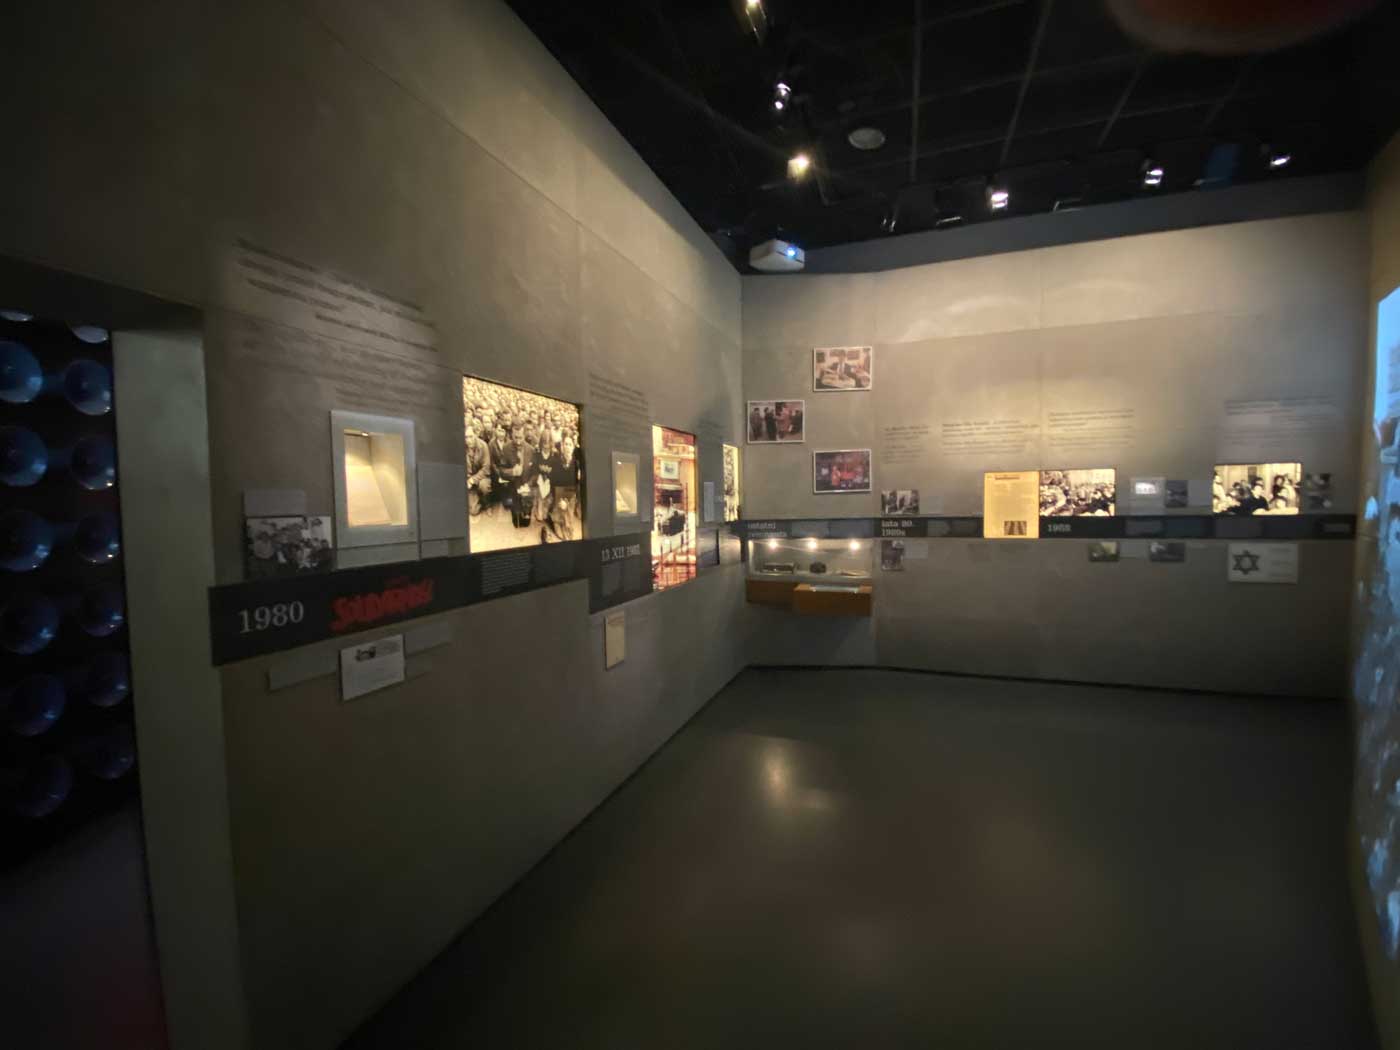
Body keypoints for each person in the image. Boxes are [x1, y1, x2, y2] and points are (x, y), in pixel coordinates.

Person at [466, 424, 491, 516]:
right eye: (466, 437)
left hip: (482, 477)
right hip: (469, 479)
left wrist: (472, 480)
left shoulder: (483, 445)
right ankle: (478, 499)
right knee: (473, 511)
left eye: (471, 436)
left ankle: (488, 504)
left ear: (475, 435)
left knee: (484, 486)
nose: (468, 440)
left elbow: (486, 468)